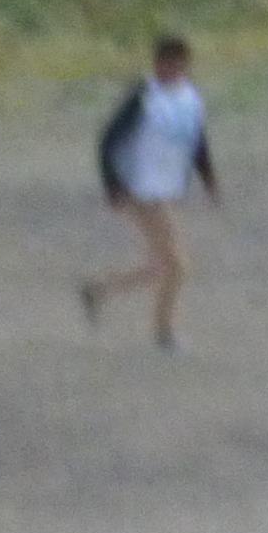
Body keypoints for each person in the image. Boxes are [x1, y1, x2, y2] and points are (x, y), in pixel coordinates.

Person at [83, 34, 218, 349]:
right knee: (178, 265)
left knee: (165, 265)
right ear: (156, 63)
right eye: (165, 63)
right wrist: (113, 186)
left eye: (177, 64)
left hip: (162, 188)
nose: (170, 69)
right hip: (138, 188)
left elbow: (197, 141)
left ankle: (98, 290)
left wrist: (208, 178)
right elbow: (107, 139)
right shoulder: (143, 95)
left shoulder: (188, 98)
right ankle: (164, 333)